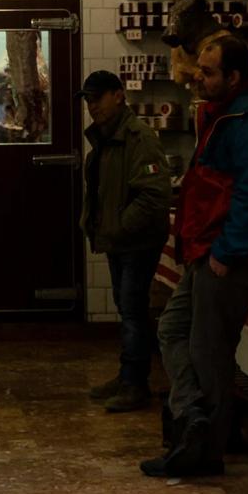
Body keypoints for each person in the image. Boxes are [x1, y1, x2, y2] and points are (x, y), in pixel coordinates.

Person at [143, 33, 248, 478]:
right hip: (202, 250)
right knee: (173, 330)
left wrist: (227, 251)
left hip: (221, 254)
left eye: (208, 72)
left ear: (233, 76)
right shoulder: (219, 113)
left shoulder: (246, 118)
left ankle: (204, 450)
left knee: (210, 353)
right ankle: (192, 416)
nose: (198, 77)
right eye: (199, 68)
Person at [79, 70, 172, 413]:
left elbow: (154, 196)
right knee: (126, 306)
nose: (92, 106)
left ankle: (135, 384)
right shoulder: (108, 136)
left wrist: (119, 227)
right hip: (121, 241)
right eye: (88, 100)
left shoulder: (139, 137)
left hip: (136, 242)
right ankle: (128, 375)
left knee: (132, 310)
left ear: (118, 95)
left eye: (97, 98)